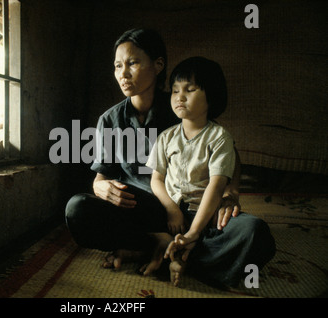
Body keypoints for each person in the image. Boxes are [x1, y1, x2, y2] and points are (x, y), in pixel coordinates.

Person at [65, 29, 242, 272]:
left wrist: (229, 194)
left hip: (181, 209)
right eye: (117, 66)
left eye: (132, 63)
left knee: (250, 234)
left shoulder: (179, 107)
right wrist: (100, 187)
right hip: (137, 209)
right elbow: (101, 176)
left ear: (158, 65)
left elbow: (225, 150)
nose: (123, 74)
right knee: (77, 209)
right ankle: (159, 244)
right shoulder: (109, 120)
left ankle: (161, 248)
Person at [146, 56, 276, 288]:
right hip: (171, 215)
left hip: (206, 216)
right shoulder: (166, 137)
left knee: (255, 232)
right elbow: (157, 179)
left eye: (190, 89)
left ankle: (183, 255)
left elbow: (217, 186)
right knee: (133, 212)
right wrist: (171, 209)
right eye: (175, 91)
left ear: (211, 96)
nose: (179, 97)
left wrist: (194, 231)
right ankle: (178, 250)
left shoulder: (219, 137)